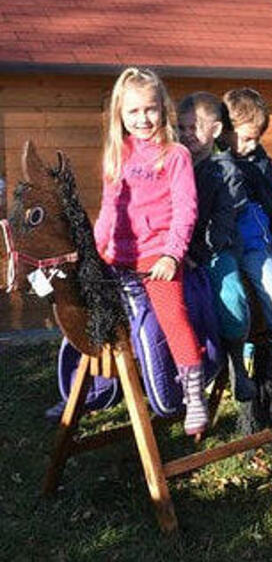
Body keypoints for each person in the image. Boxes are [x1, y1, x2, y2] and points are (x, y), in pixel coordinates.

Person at [94, 67, 208, 436]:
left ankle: (193, 393)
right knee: (89, 310)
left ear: (163, 109)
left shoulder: (175, 155)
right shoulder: (117, 154)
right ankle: (92, 387)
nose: (143, 119)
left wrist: (172, 254)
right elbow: (109, 210)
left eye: (150, 109)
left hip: (157, 256)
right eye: (133, 112)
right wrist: (96, 252)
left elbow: (185, 208)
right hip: (119, 258)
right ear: (120, 115)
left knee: (173, 318)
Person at [222, 87, 272, 403]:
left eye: (257, 137)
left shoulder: (261, 163)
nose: (252, 145)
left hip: (256, 247)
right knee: (231, 302)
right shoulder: (212, 163)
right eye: (245, 138)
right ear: (224, 131)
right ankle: (231, 365)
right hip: (224, 248)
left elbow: (271, 206)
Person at [177, 91, 256, 402]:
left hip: (214, 249)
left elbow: (224, 220)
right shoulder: (172, 164)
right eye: (182, 128)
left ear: (215, 130)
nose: (187, 135)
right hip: (176, 250)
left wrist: (200, 254)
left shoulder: (225, 172)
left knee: (231, 296)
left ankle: (237, 360)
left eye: (194, 128)